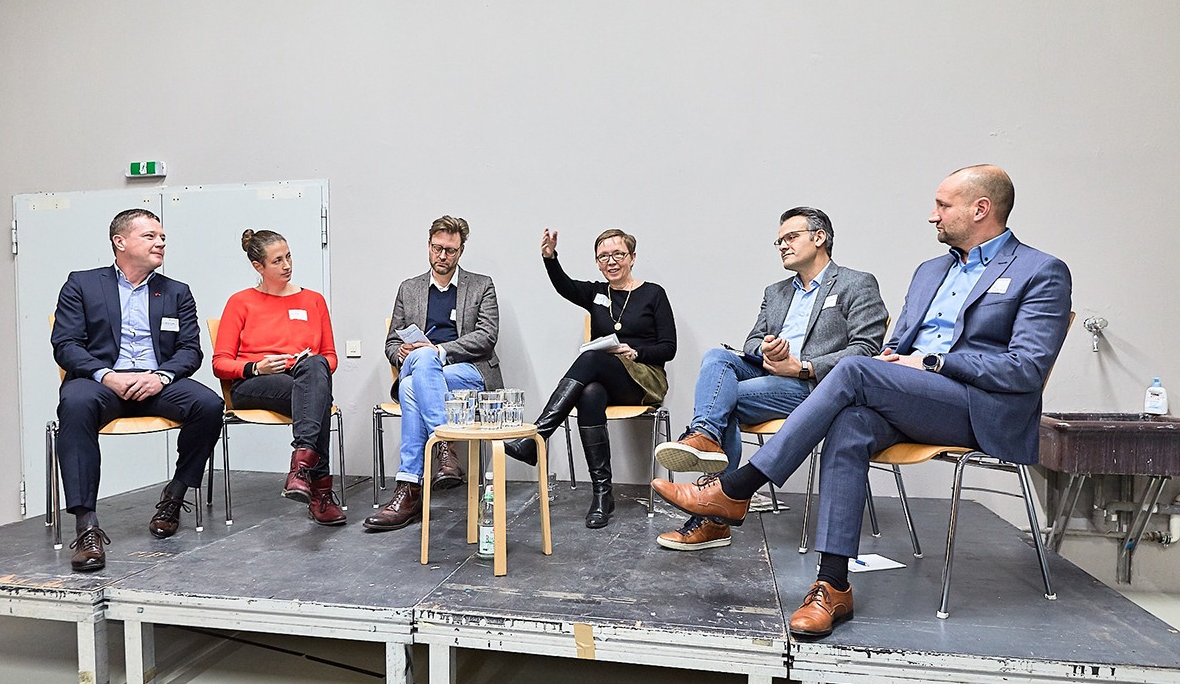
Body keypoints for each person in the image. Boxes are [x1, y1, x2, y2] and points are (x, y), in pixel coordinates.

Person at [652, 165, 1072, 637]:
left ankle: (738, 488)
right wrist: (899, 359)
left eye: (942, 205)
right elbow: (898, 344)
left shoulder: (1040, 270)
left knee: (852, 369)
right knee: (850, 422)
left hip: (979, 407)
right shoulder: (931, 270)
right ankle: (832, 586)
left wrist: (931, 364)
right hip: (917, 396)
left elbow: (1026, 369)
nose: (932, 216)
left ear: (981, 209)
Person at [652, 208, 886, 551]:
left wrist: (804, 366)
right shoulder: (775, 292)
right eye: (779, 241)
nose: (782, 246)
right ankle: (706, 437)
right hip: (769, 371)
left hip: (817, 386)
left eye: (790, 237)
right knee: (717, 357)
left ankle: (712, 516)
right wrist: (766, 349)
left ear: (819, 237)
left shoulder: (856, 282)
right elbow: (751, 340)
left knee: (724, 401)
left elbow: (866, 349)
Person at [52, 209, 224, 572]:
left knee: (208, 404)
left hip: (155, 381)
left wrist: (161, 376)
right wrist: (105, 375)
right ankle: (86, 526)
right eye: (150, 236)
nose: (160, 242)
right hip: (102, 383)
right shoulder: (81, 284)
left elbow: (190, 350)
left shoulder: (175, 292)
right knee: (74, 403)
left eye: (162, 237)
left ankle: (174, 496)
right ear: (120, 242)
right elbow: (65, 344)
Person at [504, 228, 677, 529]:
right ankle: (602, 495)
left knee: (592, 357)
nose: (611, 261)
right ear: (598, 263)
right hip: (609, 381)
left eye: (618, 254)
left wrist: (636, 351)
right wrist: (550, 257)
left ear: (632, 258)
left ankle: (537, 436)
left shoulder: (653, 294)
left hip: (645, 379)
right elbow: (565, 286)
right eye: (603, 257)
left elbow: (669, 347)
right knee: (589, 394)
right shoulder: (597, 293)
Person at [365, 216, 503, 532]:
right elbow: (392, 342)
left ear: (461, 250)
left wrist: (439, 352)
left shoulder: (482, 285)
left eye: (450, 251)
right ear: (428, 246)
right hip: (427, 373)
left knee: (413, 382)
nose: (443, 257)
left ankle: (409, 490)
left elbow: (486, 336)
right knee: (419, 367)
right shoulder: (408, 288)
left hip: (469, 373)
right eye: (438, 249)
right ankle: (446, 446)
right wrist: (398, 352)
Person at [212, 229, 343, 525]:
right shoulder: (241, 302)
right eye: (277, 261)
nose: (287, 265)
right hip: (252, 384)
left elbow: (330, 358)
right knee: (316, 396)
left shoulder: (314, 300)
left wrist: (305, 362)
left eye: (289, 257)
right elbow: (220, 363)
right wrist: (257, 367)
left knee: (315, 369)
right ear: (259, 267)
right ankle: (319, 489)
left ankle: (301, 465)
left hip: (301, 379)